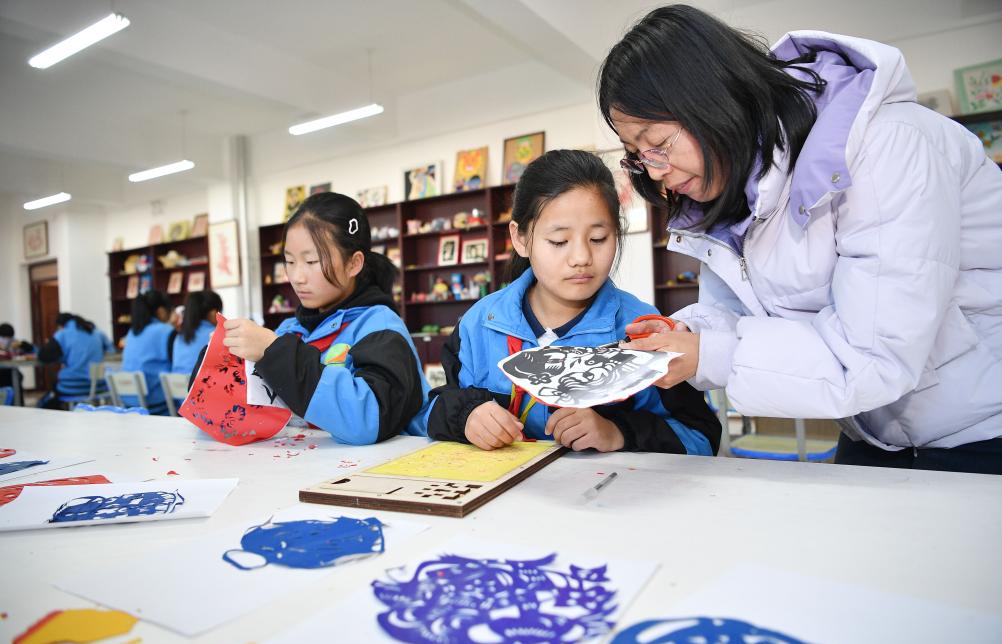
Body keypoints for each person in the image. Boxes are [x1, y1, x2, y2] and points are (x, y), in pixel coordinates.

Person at [597, 5, 1002, 473]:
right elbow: (738, 312)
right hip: (875, 432)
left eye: (659, 144)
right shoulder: (733, 189)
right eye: (637, 156)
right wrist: (688, 333)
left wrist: (708, 354)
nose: (656, 173)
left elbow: (874, 355)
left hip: (983, 432)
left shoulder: (887, 147)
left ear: (713, 101)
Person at [425, 149, 721, 454]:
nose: (581, 258)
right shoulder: (479, 325)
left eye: (598, 239)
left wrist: (618, 433)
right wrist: (465, 417)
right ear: (520, 239)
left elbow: (701, 437)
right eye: (559, 242)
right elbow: (430, 409)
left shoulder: (643, 329)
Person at [220, 192, 431, 444]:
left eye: (311, 261)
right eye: (289, 261)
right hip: (307, 469)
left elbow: (367, 420)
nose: (297, 276)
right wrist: (224, 357)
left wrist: (274, 352)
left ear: (353, 264)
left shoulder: (381, 327)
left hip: (376, 473)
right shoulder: (289, 329)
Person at [37, 313, 114, 409]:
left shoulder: (63, 334)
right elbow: (111, 350)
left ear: (61, 326)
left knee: (50, 395)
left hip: (73, 387)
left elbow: (43, 356)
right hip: (99, 385)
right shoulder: (97, 333)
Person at [122, 290, 174, 415]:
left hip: (128, 403)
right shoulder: (167, 331)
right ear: (161, 311)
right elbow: (176, 366)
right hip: (155, 403)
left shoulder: (132, 332)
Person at [172, 290, 222, 376]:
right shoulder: (215, 334)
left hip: (177, 388)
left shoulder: (180, 336)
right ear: (213, 313)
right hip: (201, 387)